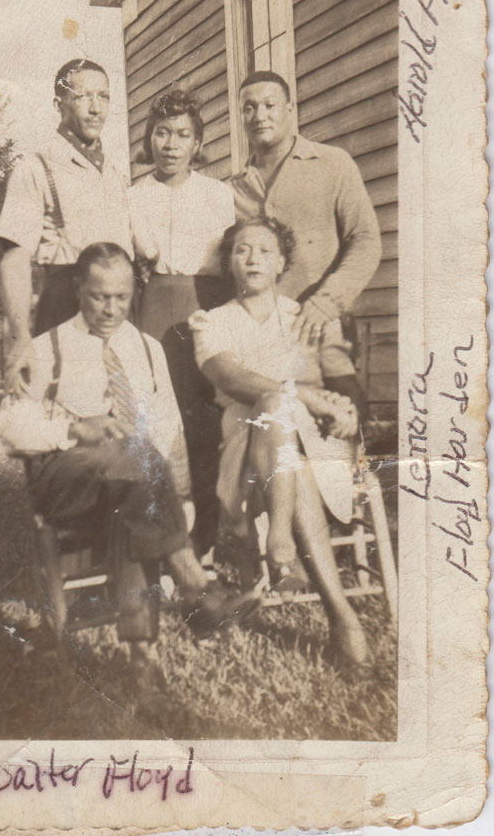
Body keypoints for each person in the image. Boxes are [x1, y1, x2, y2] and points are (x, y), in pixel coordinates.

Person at [0, 241, 258, 654]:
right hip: (64, 485)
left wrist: (182, 497)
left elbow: (168, 429)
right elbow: (9, 431)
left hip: (133, 483)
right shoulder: (47, 349)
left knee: (137, 483)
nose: (111, 309)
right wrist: (73, 429)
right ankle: (195, 586)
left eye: (122, 297)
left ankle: (141, 658)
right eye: (100, 297)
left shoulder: (149, 350)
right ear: (79, 288)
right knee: (133, 464)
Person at [189, 217, 368, 669]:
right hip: (247, 450)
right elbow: (228, 376)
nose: (252, 258)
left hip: (317, 442)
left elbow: (343, 380)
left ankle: (281, 539)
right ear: (229, 263)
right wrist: (303, 394)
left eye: (264, 251)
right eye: (242, 250)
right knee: (272, 402)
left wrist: (349, 412)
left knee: (293, 446)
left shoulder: (304, 318)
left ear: (283, 262)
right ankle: (342, 619)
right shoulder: (212, 322)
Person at [232, 70, 382, 417]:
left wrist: (326, 302)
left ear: (290, 108)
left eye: (270, 105)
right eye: (249, 108)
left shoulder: (332, 164)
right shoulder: (236, 188)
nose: (259, 116)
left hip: (322, 327)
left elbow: (366, 240)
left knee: (345, 416)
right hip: (263, 337)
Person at [128, 90, 235, 556]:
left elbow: (227, 263)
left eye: (183, 135)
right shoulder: (132, 196)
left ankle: (209, 531)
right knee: (155, 417)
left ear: (198, 142)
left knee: (204, 417)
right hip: (153, 304)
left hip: (205, 304)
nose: (171, 144)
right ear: (149, 139)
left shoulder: (217, 194)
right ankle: (164, 532)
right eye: (162, 133)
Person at [0, 59, 133, 393]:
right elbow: (14, 258)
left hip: (119, 310)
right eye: (83, 96)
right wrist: (20, 337)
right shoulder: (36, 167)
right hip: (64, 307)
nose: (96, 107)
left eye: (104, 97)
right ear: (60, 105)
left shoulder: (116, 174)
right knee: (64, 414)